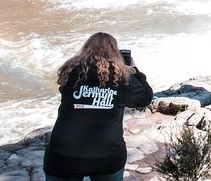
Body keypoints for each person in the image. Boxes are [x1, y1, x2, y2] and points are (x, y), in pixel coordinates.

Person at [43, 32, 153, 181]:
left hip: (63, 155)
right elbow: (145, 98)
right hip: (107, 156)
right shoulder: (122, 78)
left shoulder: (70, 73)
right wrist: (134, 71)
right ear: (115, 52)